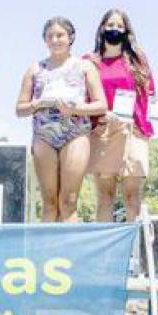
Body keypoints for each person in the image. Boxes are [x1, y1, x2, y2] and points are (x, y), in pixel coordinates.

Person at [15, 16, 107, 222]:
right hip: (44, 135)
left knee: (68, 200)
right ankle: (46, 252)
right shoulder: (35, 69)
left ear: (70, 38)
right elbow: (19, 109)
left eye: (60, 35)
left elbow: (101, 104)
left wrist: (77, 109)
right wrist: (37, 104)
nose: (55, 40)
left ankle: (69, 252)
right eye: (50, 36)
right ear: (45, 40)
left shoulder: (85, 67)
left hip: (75, 134)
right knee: (49, 202)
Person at [86, 9, 155, 222]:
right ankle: (106, 254)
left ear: (126, 31)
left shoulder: (138, 60)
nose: (114, 29)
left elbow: (150, 95)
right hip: (103, 130)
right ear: (102, 28)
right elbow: (83, 96)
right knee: (105, 197)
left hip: (133, 130)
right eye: (110, 25)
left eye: (119, 25)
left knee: (132, 196)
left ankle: (135, 250)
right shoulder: (90, 61)